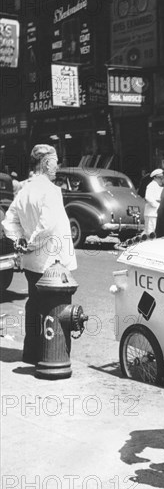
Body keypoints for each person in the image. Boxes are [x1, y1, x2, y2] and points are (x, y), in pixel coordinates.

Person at [1, 144, 77, 365]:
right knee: (57, 311)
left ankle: (31, 353)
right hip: (54, 265)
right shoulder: (51, 191)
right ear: (45, 163)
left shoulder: (24, 189)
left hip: (33, 263)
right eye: (54, 162)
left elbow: (8, 220)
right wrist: (31, 243)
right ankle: (54, 358)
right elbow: (48, 225)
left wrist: (20, 241)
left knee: (34, 306)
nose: (57, 166)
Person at [144, 168, 164, 236]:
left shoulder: (158, 186)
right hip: (151, 214)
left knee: (155, 234)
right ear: (155, 178)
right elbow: (148, 197)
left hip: (155, 214)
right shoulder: (151, 185)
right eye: (160, 178)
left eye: (162, 178)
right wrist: (158, 206)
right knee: (150, 234)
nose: (161, 180)